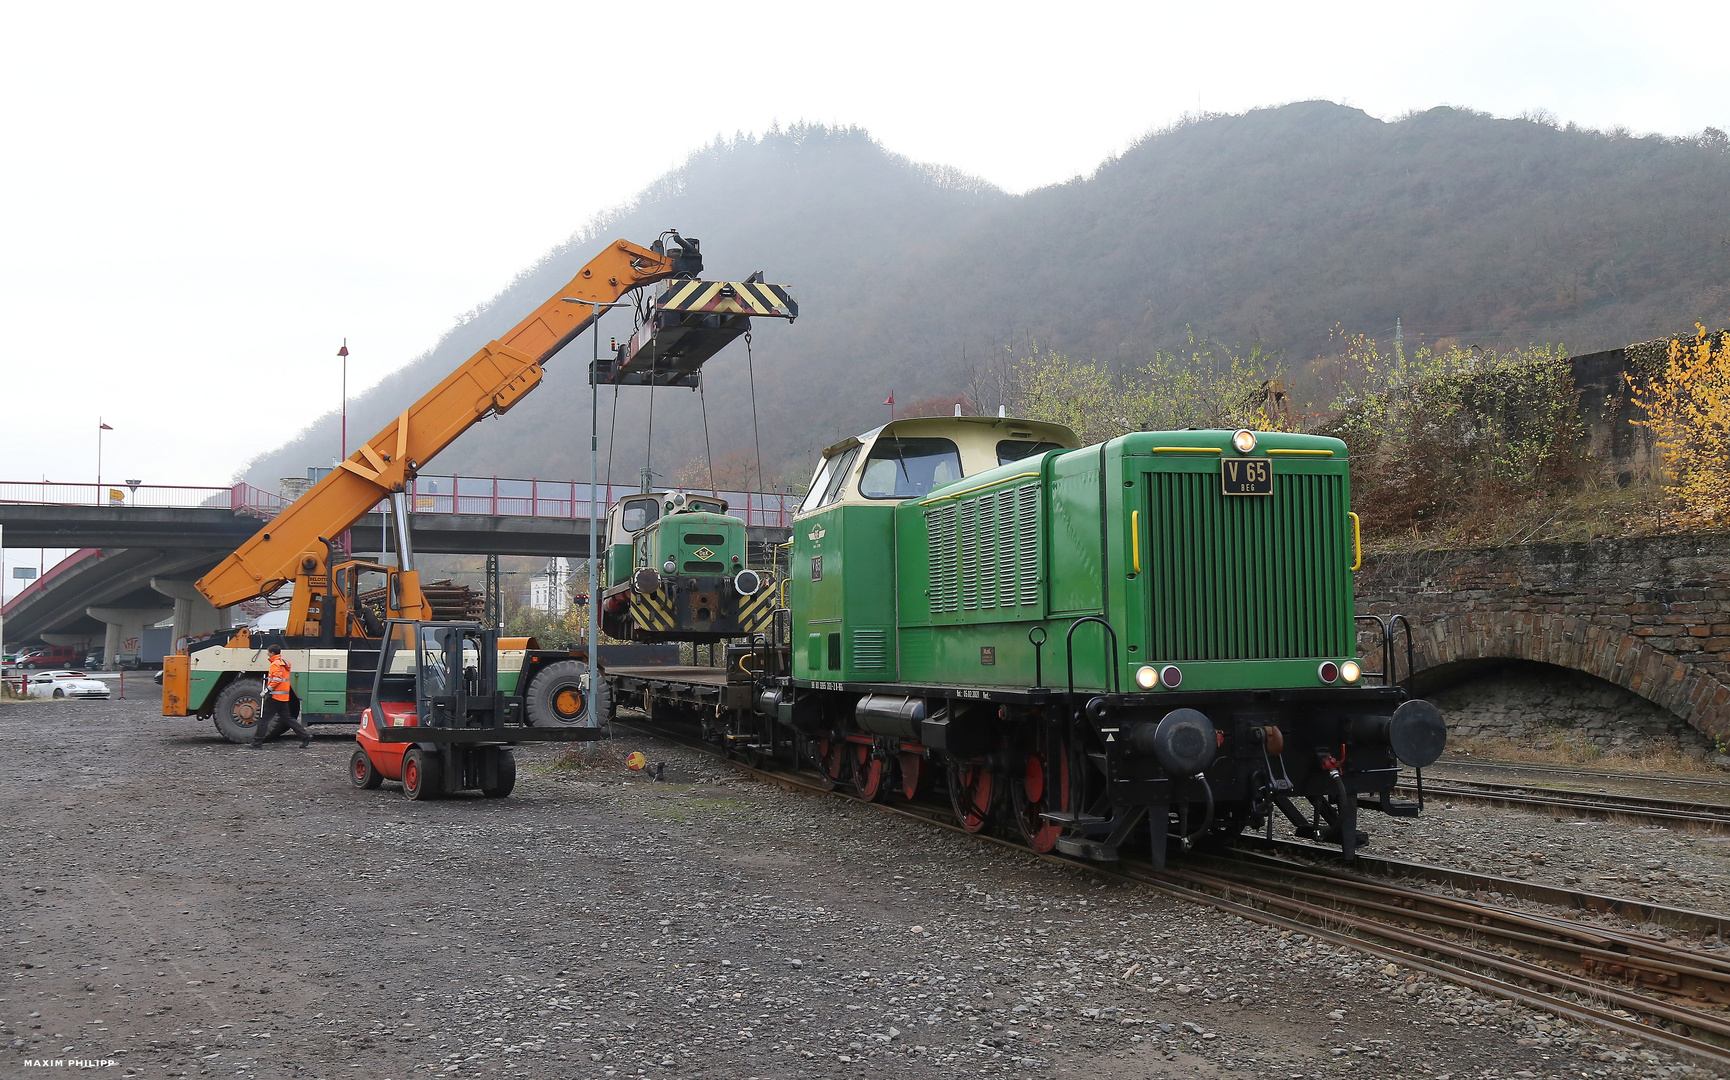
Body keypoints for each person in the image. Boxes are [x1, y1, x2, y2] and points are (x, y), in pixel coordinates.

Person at [249, 645, 312, 749]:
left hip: (275, 697)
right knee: (288, 719)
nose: (267, 654)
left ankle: (256, 743)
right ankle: (305, 736)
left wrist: (267, 690)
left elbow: (277, 679)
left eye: (268, 653)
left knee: (263, 719)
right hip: (283, 697)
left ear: (272, 653)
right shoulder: (284, 663)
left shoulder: (275, 664)